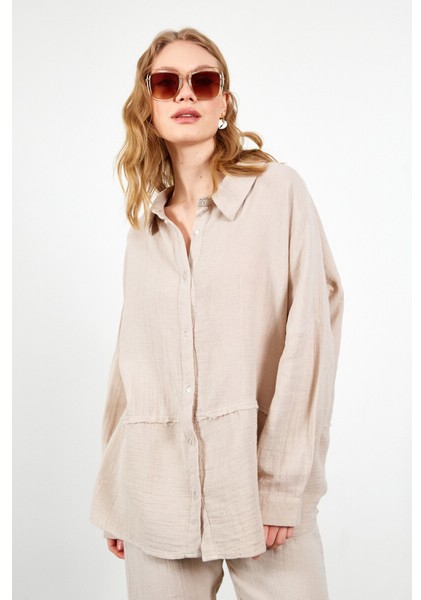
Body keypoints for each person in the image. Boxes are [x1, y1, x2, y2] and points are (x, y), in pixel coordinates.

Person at [89, 26, 344, 600]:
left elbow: (311, 334)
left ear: (223, 101)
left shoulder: (278, 192)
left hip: (256, 487)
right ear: (148, 105)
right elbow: (130, 366)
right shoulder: (144, 230)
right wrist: (115, 496)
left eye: (202, 82)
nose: (185, 94)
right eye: (166, 83)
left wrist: (282, 487)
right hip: (154, 490)